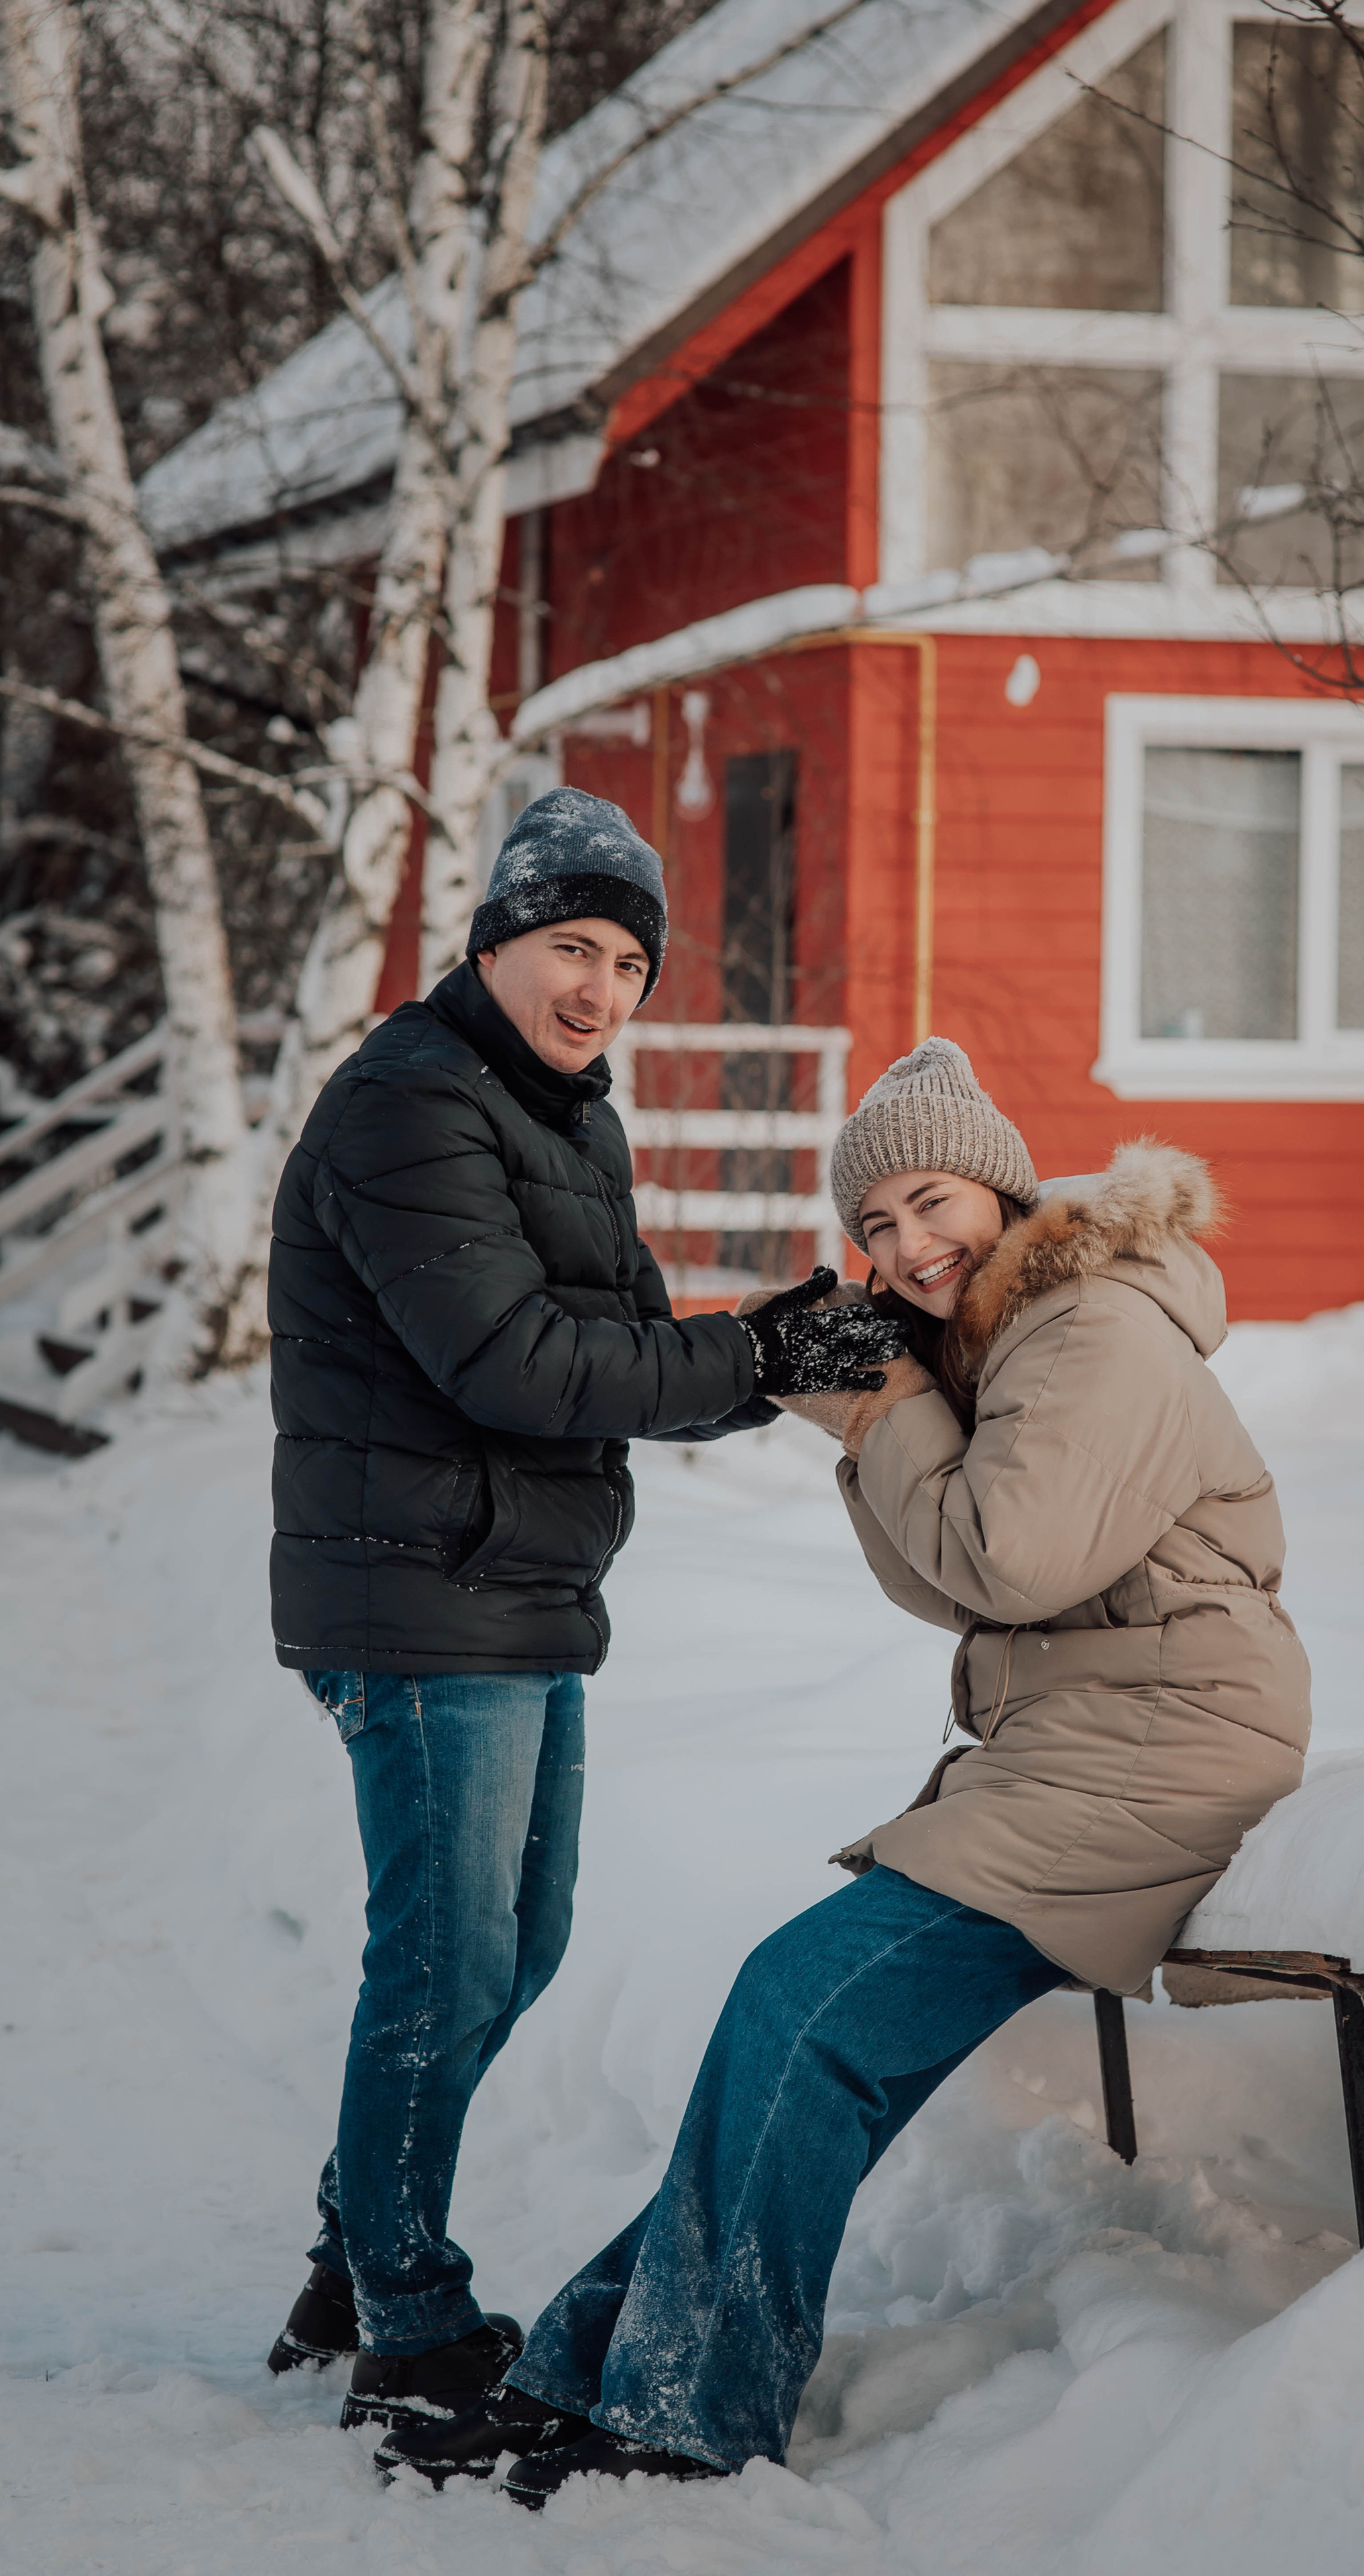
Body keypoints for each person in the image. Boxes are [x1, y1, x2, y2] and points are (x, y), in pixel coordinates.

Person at [376, 1034, 1314, 2500]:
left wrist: (879, 1404)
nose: (906, 1246)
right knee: (800, 2023)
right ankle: (601, 2368)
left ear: (997, 1192)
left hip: (1166, 1752)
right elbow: (948, 1579)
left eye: (929, 1204)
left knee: (800, 2007)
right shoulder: (1011, 1339)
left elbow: (1003, 1560)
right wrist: (879, 1403)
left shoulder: (1094, 1333)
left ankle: (685, 2410)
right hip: (1081, 1752)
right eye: (873, 1227)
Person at [264, 788, 903, 2432]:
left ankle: (352, 2256)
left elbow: (616, 1350)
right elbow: (517, 1364)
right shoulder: (411, 1105)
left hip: (515, 1589)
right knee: (443, 1964)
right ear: (492, 941)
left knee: (511, 1951)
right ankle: (404, 2316)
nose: (599, 987)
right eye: (570, 946)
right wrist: (757, 1354)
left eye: (627, 961)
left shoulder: (562, 1117)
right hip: (418, 1596)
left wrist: (769, 1353)